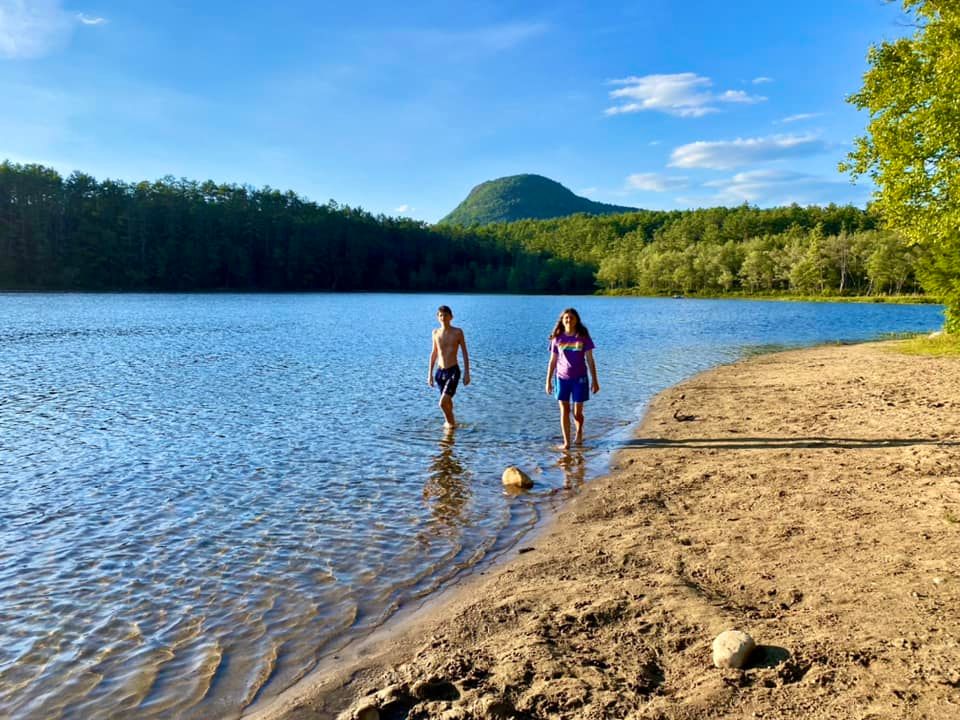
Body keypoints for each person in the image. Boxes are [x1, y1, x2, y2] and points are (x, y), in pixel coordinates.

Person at [545, 307, 599, 449]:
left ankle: (579, 431)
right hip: (561, 378)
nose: (569, 320)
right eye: (566, 318)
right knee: (564, 410)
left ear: (576, 320)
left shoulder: (583, 337)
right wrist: (548, 381)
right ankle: (567, 443)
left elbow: (590, 360)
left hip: (580, 379)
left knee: (577, 413)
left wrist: (595, 380)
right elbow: (552, 361)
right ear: (562, 321)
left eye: (571, 318)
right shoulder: (557, 338)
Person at [428, 305, 471, 429]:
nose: (443, 317)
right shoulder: (435, 333)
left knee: (442, 403)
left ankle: (450, 425)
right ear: (437, 317)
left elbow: (464, 352)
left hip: (453, 371)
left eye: (446, 315)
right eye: (441, 315)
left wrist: (467, 373)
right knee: (448, 403)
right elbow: (434, 353)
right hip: (440, 373)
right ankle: (453, 427)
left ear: (451, 317)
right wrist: (429, 374)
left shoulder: (458, 332)